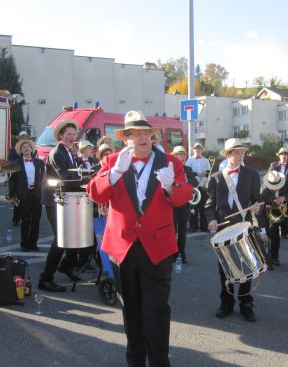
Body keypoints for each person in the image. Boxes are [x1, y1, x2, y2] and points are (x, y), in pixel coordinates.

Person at [87, 111, 191, 367]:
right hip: (122, 248)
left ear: (152, 137)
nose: (142, 138)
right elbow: (95, 194)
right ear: (126, 139)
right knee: (131, 312)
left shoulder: (170, 163)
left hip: (158, 247)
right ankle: (135, 362)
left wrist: (170, 186)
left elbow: (184, 196)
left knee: (156, 313)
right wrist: (114, 173)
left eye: (146, 133)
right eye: (135, 134)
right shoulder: (112, 160)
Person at [205, 138, 267, 322]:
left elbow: (258, 201)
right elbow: (209, 204)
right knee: (225, 269)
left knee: (246, 267)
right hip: (223, 229)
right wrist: (211, 219)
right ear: (227, 155)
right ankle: (226, 303)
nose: (240, 155)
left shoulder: (252, 175)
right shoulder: (216, 177)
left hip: (243, 228)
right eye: (236, 152)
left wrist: (257, 207)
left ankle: (246, 304)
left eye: (242, 152)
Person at [38, 120, 86, 292]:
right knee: (60, 239)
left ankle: (66, 265)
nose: (72, 137)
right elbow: (66, 177)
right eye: (69, 135)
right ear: (61, 136)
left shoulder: (68, 151)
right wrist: (87, 180)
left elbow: (73, 174)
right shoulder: (57, 151)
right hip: (54, 199)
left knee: (72, 234)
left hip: (63, 198)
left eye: (74, 134)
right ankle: (45, 279)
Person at [7, 139, 44, 252]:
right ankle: (24, 244)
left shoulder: (39, 162)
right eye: (24, 147)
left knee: (36, 220)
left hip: (36, 193)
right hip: (23, 193)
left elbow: (43, 177)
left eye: (28, 146)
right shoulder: (17, 163)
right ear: (21, 150)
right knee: (26, 219)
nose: (26, 148)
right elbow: (12, 180)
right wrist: (12, 194)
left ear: (32, 149)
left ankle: (33, 243)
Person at [171, 145, 198, 264]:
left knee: (182, 229)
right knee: (172, 229)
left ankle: (181, 253)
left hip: (184, 203)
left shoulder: (187, 169)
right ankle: (172, 253)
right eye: (178, 155)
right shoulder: (170, 168)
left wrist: (187, 181)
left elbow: (195, 182)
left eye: (182, 154)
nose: (180, 157)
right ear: (174, 156)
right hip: (172, 203)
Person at [260, 170, 288, 267]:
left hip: (279, 210)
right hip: (267, 212)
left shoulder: (285, 182)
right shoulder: (263, 191)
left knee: (276, 235)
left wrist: (284, 198)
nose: (275, 189)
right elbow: (260, 212)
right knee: (266, 235)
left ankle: (274, 258)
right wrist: (263, 231)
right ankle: (265, 259)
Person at [268, 147, 288, 239]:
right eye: (282, 154)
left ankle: (284, 233)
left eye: (285, 154)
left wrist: (283, 180)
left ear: (287, 156)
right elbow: (269, 175)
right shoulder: (273, 165)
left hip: (287, 192)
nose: (283, 156)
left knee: (285, 212)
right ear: (279, 156)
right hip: (275, 192)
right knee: (275, 211)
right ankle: (274, 231)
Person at [186, 142, 210, 232]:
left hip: (203, 186)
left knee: (203, 208)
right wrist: (197, 174)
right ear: (193, 150)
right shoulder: (189, 160)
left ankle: (204, 227)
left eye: (199, 149)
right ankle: (193, 227)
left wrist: (206, 173)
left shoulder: (206, 160)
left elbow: (209, 172)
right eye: (196, 149)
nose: (198, 150)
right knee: (193, 207)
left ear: (202, 150)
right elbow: (187, 172)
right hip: (194, 188)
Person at [8, 130, 31, 226]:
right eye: (22, 138)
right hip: (17, 175)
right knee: (17, 199)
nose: (24, 139)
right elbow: (10, 162)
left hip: (28, 176)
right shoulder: (13, 150)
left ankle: (27, 217)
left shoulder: (31, 149)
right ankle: (16, 218)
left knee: (28, 199)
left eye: (25, 137)